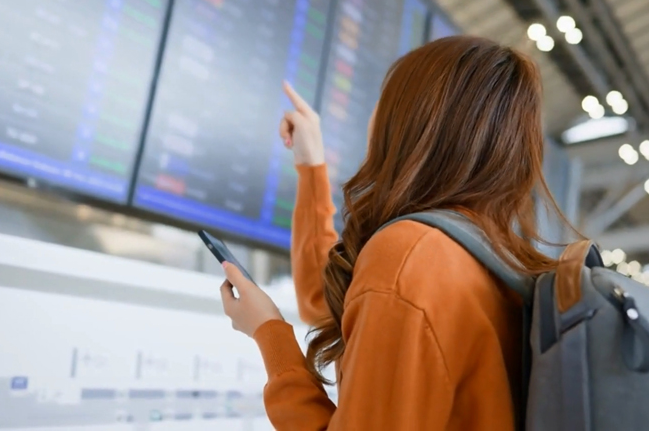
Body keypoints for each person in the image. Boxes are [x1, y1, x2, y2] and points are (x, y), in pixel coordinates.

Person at [219, 36, 573, 430]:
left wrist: (271, 337)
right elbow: (340, 302)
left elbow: (387, 293)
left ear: (412, 122)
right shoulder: (493, 257)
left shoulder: (410, 255)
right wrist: (311, 166)